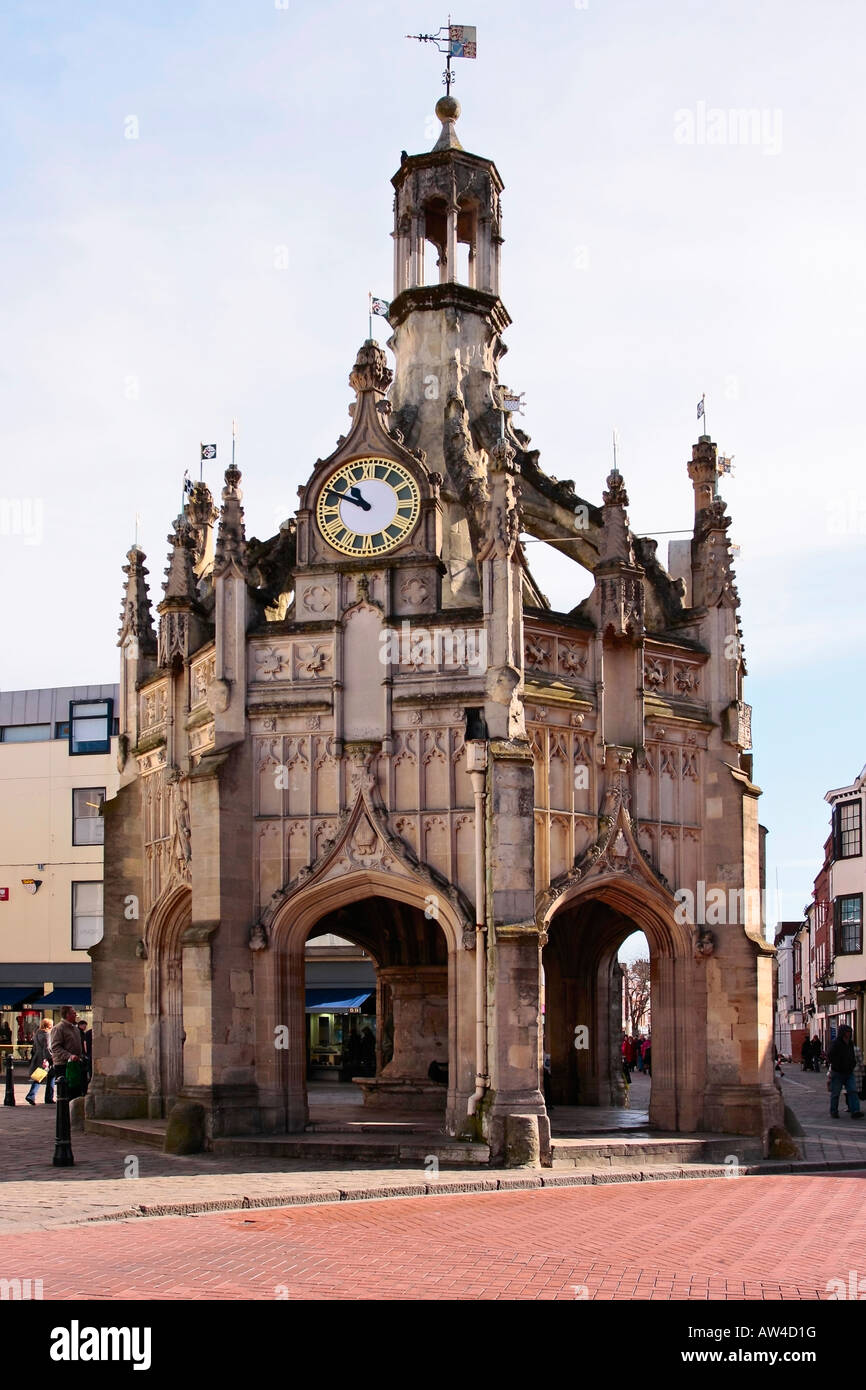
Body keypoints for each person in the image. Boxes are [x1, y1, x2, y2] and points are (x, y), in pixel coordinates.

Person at [48, 1006, 85, 1100]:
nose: (76, 1014)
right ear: (67, 1015)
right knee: (66, 1092)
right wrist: (69, 1056)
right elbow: (55, 1047)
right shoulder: (59, 1028)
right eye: (73, 1013)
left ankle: (74, 1112)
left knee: (76, 1091)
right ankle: (65, 1113)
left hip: (75, 1064)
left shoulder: (75, 1029)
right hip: (63, 1064)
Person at [828, 1025, 863, 1119]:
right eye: (847, 1032)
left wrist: (852, 1064)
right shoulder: (836, 1043)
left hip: (849, 1071)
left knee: (853, 1091)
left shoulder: (850, 1043)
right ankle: (833, 1111)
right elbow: (830, 1056)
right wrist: (837, 1065)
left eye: (850, 1032)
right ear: (843, 1033)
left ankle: (855, 1111)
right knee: (836, 1093)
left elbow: (852, 1055)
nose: (849, 1034)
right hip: (838, 1072)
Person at [24, 1018, 54, 1105]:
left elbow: (34, 1047)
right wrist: (50, 1058)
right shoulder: (47, 1034)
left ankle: (35, 1096)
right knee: (50, 1077)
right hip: (45, 1059)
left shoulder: (37, 1034)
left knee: (39, 1077)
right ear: (49, 1025)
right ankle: (34, 1095)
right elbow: (47, 1048)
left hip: (38, 1057)